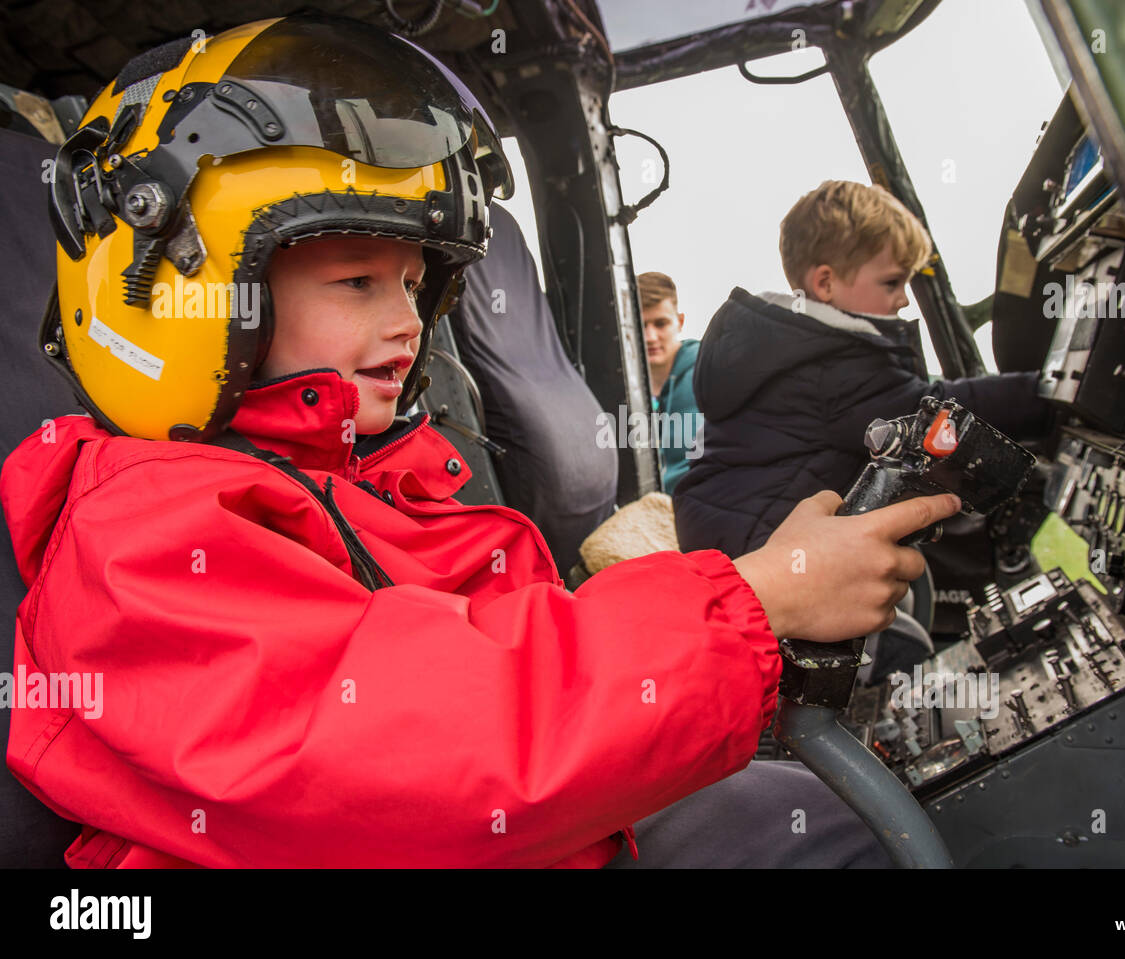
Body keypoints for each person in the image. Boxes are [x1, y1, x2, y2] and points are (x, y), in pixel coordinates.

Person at [0, 16, 959, 868]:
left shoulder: (377, 482)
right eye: (356, 282)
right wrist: (750, 601)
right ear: (176, 289)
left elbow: (496, 657)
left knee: (824, 810)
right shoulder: (140, 529)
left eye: (414, 283)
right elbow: (415, 751)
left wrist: (741, 612)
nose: (408, 321)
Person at [673, 180, 1053, 559]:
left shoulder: (783, 346)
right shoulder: (830, 364)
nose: (904, 298)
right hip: (764, 551)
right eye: (892, 282)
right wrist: (1050, 392)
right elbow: (931, 412)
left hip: (726, 536)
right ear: (826, 283)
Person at [638, 271, 701, 494]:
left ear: (680, 322)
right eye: (641, 325)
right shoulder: (629, 387)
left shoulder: (704, 375)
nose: (650, 336)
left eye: (660, 324)